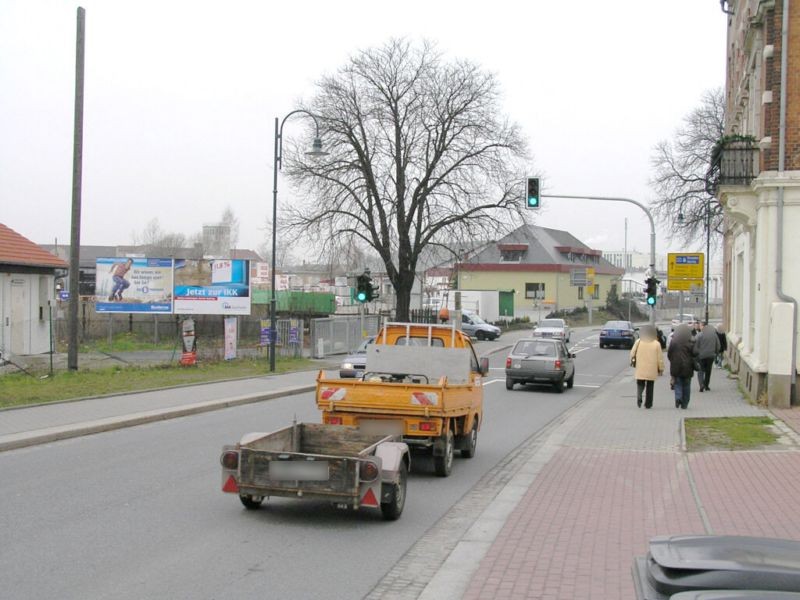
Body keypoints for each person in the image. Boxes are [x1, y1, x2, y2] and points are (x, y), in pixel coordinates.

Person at [630, 325, 664, 409]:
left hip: (640, 367)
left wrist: (633, 361)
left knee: (640, 383)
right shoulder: (656, 344)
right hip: (652, 368)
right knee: (650, 386)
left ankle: (639, 396)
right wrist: (661, 368)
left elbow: (632, 353)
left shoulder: (638, 341)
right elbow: (660, 358)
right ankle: (648, 404)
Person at [667, 323, 695, 409]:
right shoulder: (691, 341)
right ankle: (685, 404)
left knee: (678, 383)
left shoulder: (673, 341)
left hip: (676, 366)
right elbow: (695, 353)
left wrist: (672, 360)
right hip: (688, 367)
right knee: (687, 385)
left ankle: (678, 398)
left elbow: (669, 354)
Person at [694, 321, 721, 392]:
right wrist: (716, 353)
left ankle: (701, 385)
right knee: (708, 371)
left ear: (703, 327)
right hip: (711, 356)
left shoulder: (699, 335)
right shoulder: (714, 335)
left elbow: (694, 345)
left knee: (701, 370)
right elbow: (718, 346)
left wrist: (695, 354)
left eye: (700, 325)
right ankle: (706, 385)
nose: (699, 327)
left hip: (701, 356)